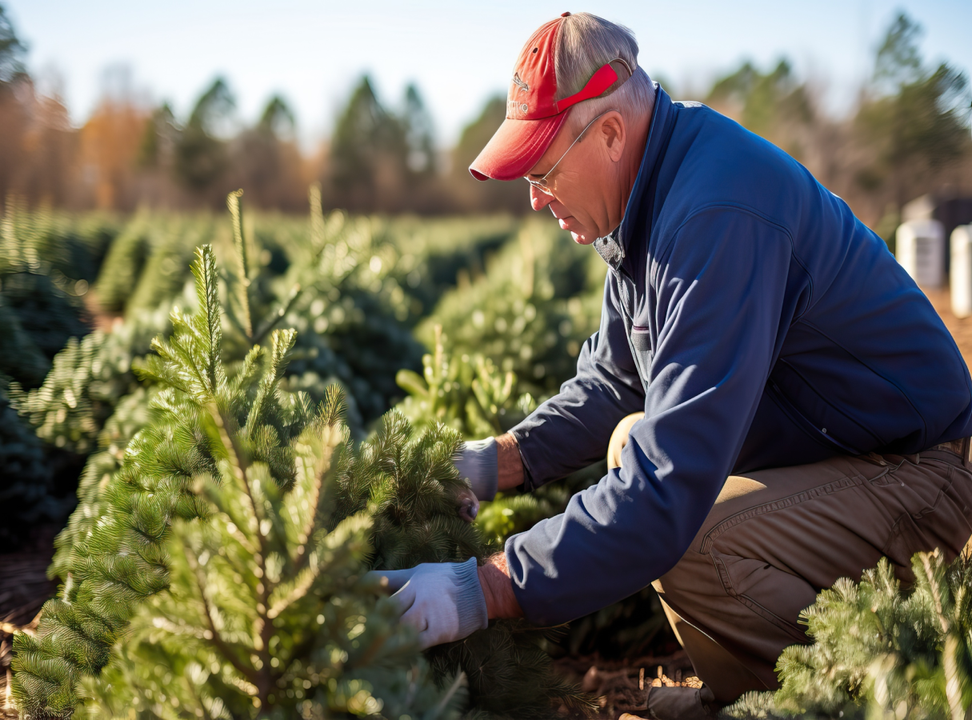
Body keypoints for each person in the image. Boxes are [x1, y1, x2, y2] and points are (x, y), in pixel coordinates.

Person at [371, 12, 972, 719]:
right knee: (630, 436)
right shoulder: (647, 197)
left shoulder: (716, 211)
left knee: (691, 539)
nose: (533, 197)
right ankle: (741, 687)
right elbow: (615, 383)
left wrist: (486, 587)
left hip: (928, 477)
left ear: (611, 133)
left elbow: (668, 488)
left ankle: (828, 696)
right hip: (848, 456)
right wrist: (493, 463)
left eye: (543, 168)